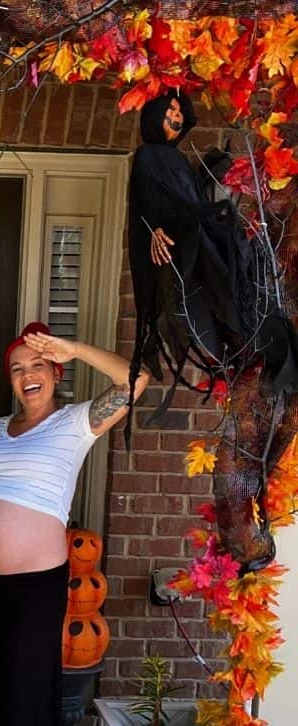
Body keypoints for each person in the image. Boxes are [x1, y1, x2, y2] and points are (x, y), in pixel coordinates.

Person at [0, 321, 150, 726]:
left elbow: (137, 383)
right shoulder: (0, 427)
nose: (27, 375)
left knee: (32, 679)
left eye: (38, 365)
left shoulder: (75, 423)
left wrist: (73, 347)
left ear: (56, 371)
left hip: (36, 578)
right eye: (18, 369)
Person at [128, 88, 298, 572]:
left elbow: (189, 195)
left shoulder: (176, 162)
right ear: (154, 117)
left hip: (198, 226)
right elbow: (148, 209)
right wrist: (154, 232)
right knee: (228, 278)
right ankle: (252, 329)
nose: (175, 121)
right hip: (186, 235)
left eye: (181, 115)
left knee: (237, 259)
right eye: (169, 113)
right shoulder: (148, 159)